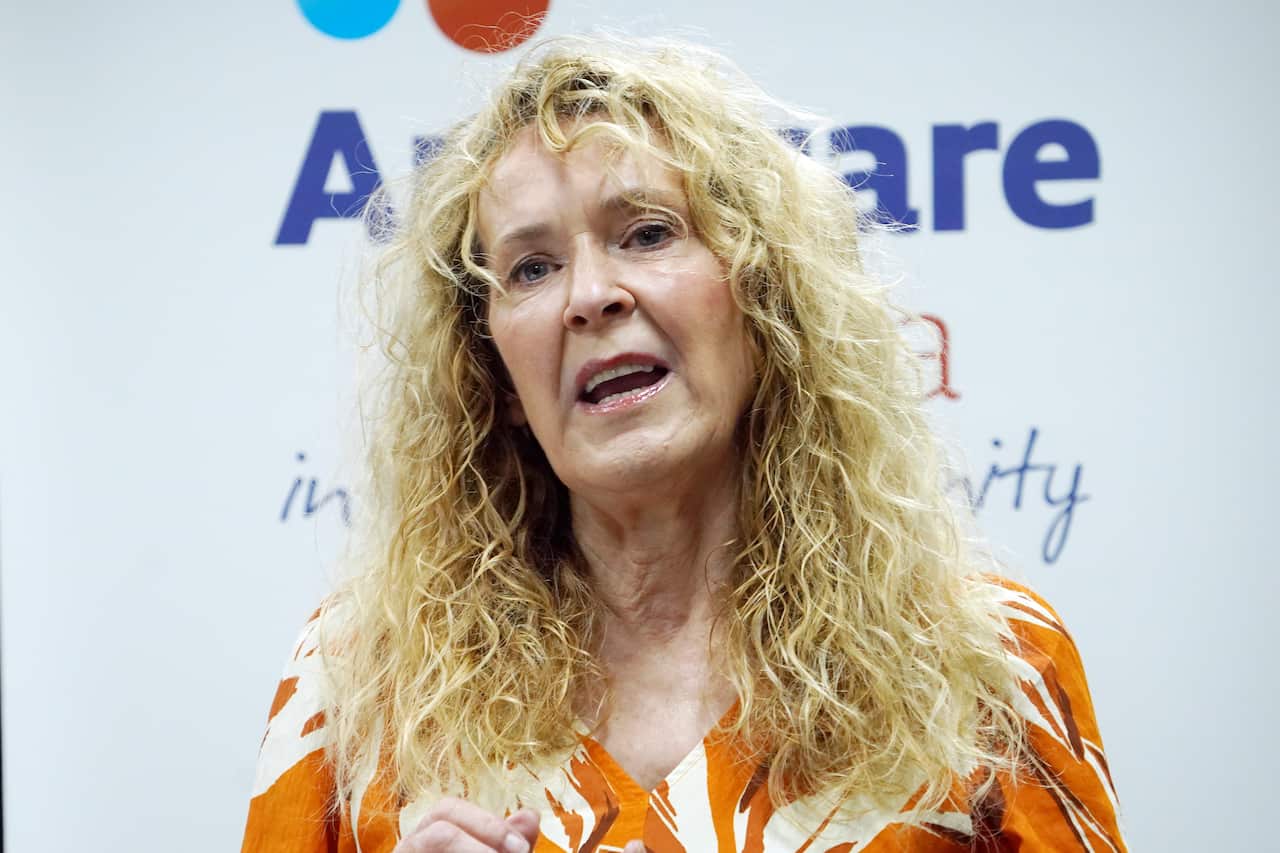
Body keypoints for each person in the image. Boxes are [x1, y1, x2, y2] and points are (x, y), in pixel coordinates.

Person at [242, 35, 1126, 852]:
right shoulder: (358, 684)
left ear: (762, 302)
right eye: (531, 268)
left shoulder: (990, 664)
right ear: (497, 379)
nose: (590, 295)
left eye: (648, 233)